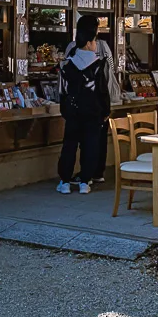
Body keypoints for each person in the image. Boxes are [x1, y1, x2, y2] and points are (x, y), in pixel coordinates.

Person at [56, 17, 112, 195]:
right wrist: (106, 110)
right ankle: (85, 181)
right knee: (90, 146)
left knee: (69, 145)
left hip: (73, 111)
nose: (96, 44)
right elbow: (103, 91)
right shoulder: (98, 65)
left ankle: (64, 181)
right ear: (89, 43)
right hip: (93, 111)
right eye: (95, 40)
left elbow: (62, 91)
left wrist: (65, 109)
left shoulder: (67, 64)